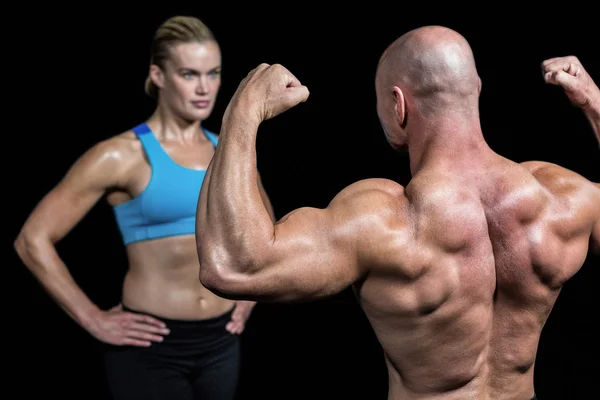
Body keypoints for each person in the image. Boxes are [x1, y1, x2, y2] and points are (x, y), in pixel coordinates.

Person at [195, 26, 599, 399]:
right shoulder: (559, 199)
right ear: (475, 89)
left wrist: (242, 114)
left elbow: (232, 266)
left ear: (397, 104)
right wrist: (595, 104)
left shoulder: (385, 220)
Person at [14, 15, 275, 400]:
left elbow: (265, 230)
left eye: (214, 73)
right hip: (151, 349)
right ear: (158, 75)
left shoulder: (227, 149)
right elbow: (31, 240)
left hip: (221, 341)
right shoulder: (120, 155)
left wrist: (252, 294)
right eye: (189, 74)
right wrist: (93, 319)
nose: (205, 88)